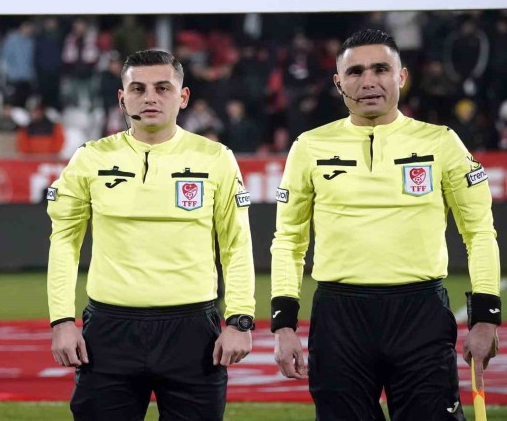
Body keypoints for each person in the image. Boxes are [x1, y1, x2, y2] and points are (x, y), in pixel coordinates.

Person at [270, 29, 501, 420]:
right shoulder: (309, 147)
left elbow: (479, 232)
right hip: (339, 318)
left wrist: (485, 317)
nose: (368, 81)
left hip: (420, 313)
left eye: (380, 69)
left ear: (402, 76)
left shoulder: (442, 143)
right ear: (338, 82)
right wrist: (284, 325)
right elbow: (288, 241)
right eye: (355, 72)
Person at [46, 49, 256, 421]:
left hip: (193, 333)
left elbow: (236, 244)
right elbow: (64, 241)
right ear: (122, 98)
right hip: (109, 332)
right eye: (138, 89)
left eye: (162, 88)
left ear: (183, 96)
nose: (150, 98)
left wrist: (240, 320)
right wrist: (61, 320)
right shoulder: (90, 159)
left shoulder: (215, 158)